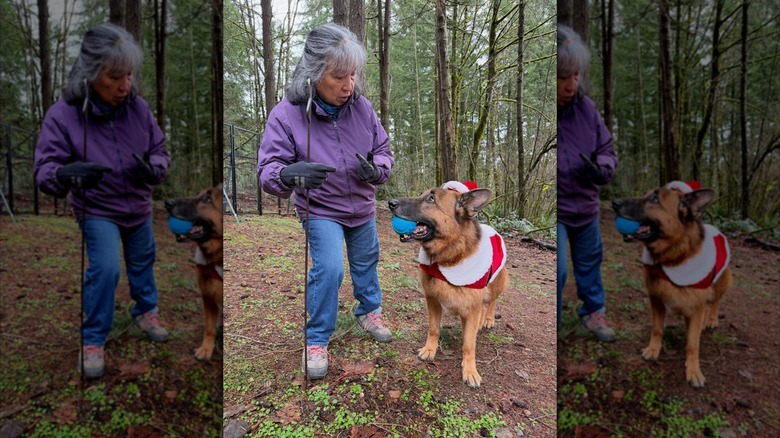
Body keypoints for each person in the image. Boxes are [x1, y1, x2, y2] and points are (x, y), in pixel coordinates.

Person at [258, 23, 395, 379]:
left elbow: (383, 151)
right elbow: (268, 169)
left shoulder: (362, 108)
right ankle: (317, 337)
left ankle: (368, 311)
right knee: (330, 269)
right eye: (339, 76)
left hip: (363, 207)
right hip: (320, 210)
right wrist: (287, 175)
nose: (348, 85)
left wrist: (375, 170)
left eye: (352, 75)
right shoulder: (287, 114)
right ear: (315, 73)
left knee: (366, 262)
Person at [34, 23, 171, 379]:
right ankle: (93, 337)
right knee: (107, 269)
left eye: (128, 75)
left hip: (138, 206)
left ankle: (145, 311)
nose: (124, 85)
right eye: (115, 76)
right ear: (92, 72)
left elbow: (159, 151)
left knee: (143, 263)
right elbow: (45, 168)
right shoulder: (64, 115)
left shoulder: (138, 109)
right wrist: (64, 175)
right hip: (97, 209)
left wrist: (152, 169)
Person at [556, 25, 618, 342]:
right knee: (559, 269)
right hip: (559, 211)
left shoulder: (587, 109)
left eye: (576, 76)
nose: (572, 85)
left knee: (590, 263)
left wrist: (601, 169)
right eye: (564, 76)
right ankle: (551, 325)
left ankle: (594, 314)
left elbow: (607, 150)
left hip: (587, 207)